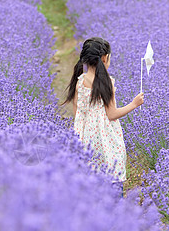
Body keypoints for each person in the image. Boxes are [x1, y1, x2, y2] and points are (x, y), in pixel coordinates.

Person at [61, 37, 144, 198]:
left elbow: (77, 112)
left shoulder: (79, 81)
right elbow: (111, 114)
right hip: (105, 138)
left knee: (89, 176)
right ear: (105, 58)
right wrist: (134, 104)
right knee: (111, 172)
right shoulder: (107, 83)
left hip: (85, 137)